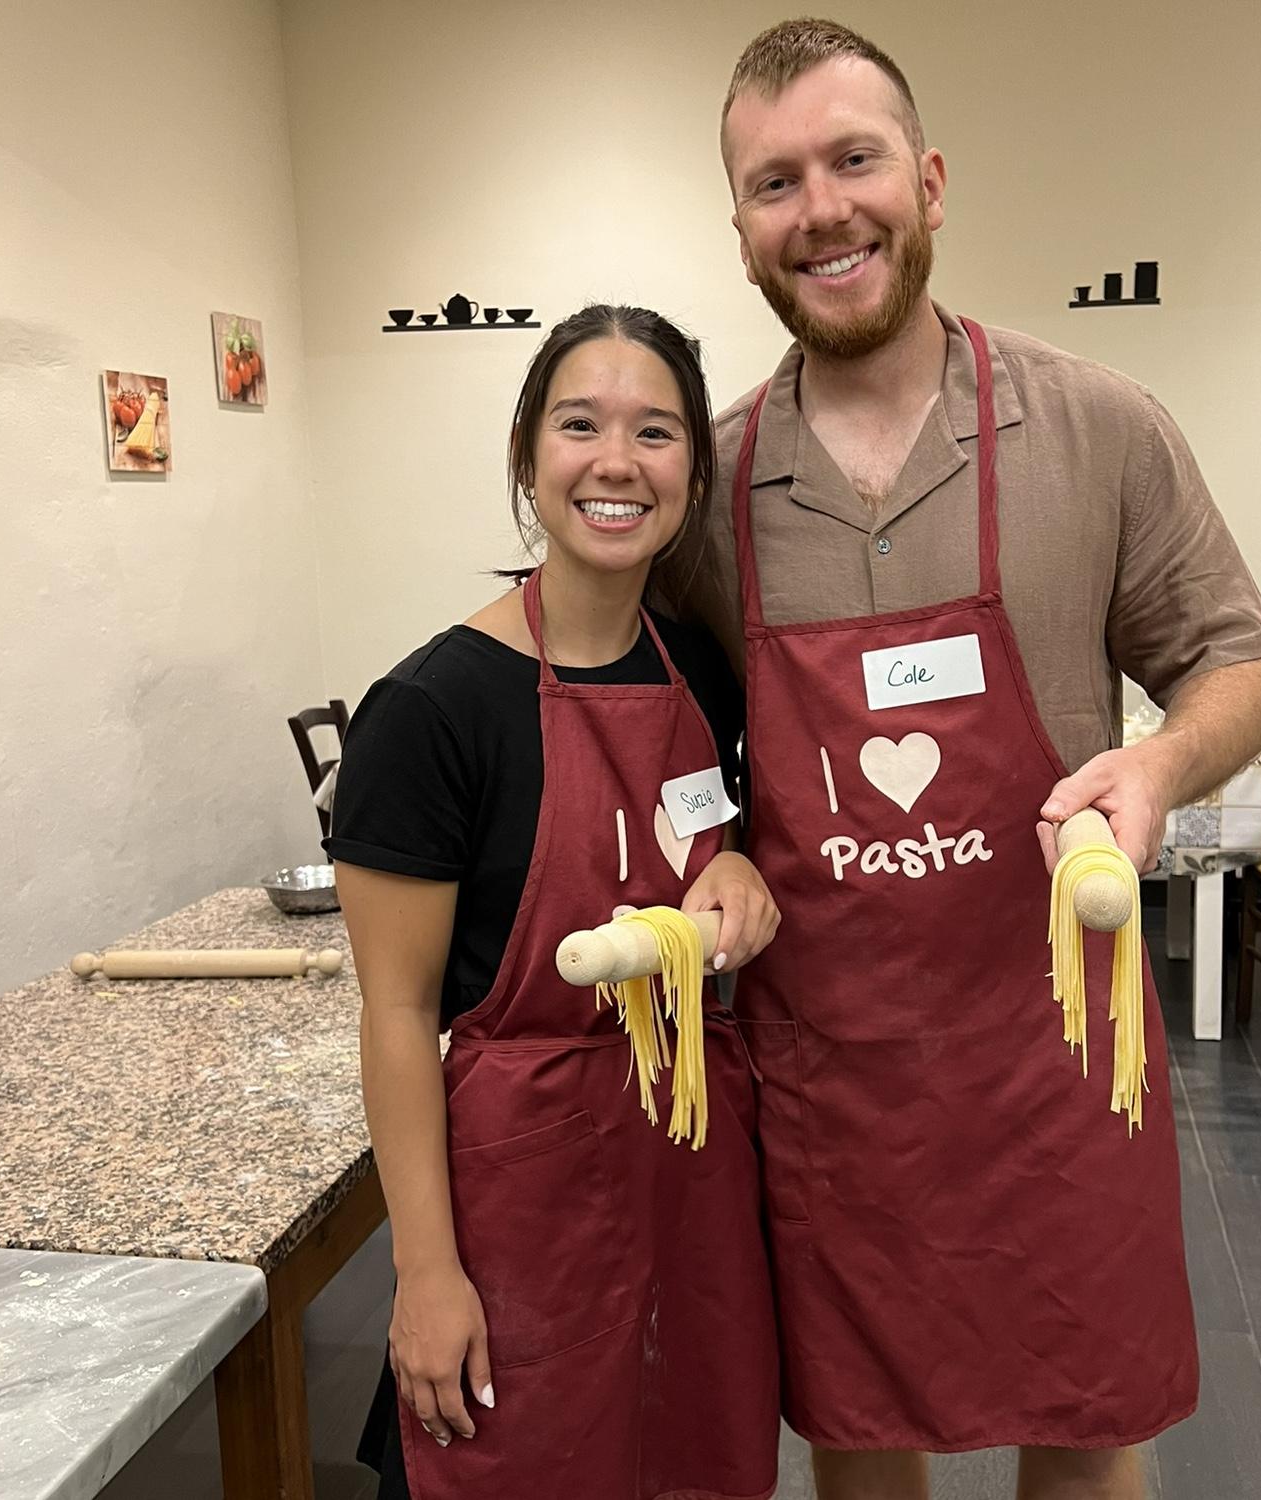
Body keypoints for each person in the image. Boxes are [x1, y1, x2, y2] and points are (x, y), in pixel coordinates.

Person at [663, 20, 1261, 1500]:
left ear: (930, 181)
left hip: (1060, 1061)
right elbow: (672, 748)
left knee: (1083, 1423)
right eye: (774, 181)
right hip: (837, 1081)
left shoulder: (1097, 430)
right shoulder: (717, 490)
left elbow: (1237, 661)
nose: (821, 208)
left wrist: (1157, 769)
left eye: (854, 159)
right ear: (743, 229)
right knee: (864, 1438)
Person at [327, 304, 782, 1500]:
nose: (618, 463)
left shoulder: (705, 674)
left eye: (658, 431)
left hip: (685, 1177)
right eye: (581, 424)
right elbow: (395, 1017)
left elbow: (718, 853)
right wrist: (425, 1275)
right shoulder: (432, 711)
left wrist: (735, 872)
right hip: (518, 1196)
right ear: (530, 452)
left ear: (694, 466)